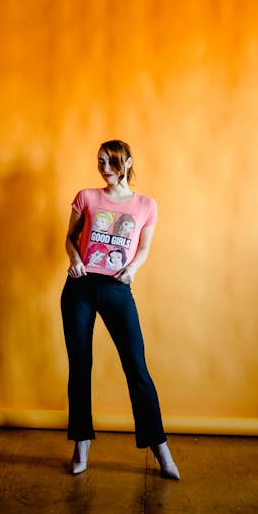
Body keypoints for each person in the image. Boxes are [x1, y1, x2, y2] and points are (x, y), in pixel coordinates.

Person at [61, 139, 180, 479]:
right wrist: (75, 260)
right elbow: (70, 237)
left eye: (111, 162)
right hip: (80, 288)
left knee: (136, 368)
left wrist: (132, 271)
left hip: (117, 288)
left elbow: (143, 248)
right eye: (100, 162)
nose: (105, 168)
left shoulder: (146, 204)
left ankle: (161, 449)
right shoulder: (86, 197)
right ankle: (81, 444)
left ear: (127, 162)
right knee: (80, 368)